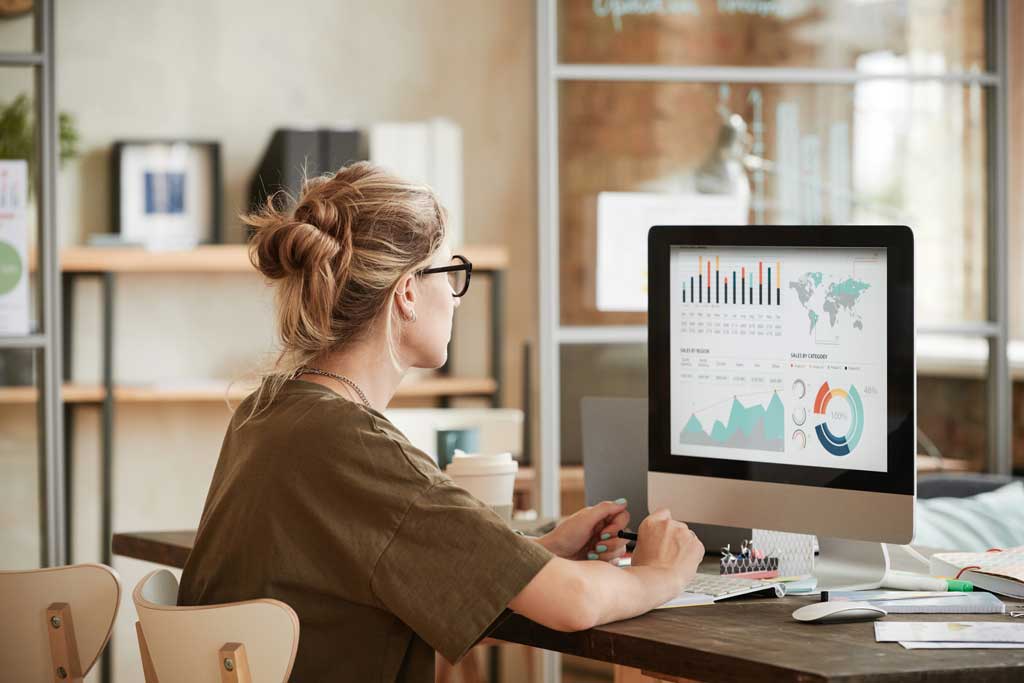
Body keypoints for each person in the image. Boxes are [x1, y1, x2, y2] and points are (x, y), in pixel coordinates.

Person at [177, 162, 704, 682]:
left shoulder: (266, 412)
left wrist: (538, 554)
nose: (455, 297)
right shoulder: (354, 447)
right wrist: (664, 574)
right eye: (449, 274)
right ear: (407, 291)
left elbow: (388, 576)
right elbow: (575, 604)